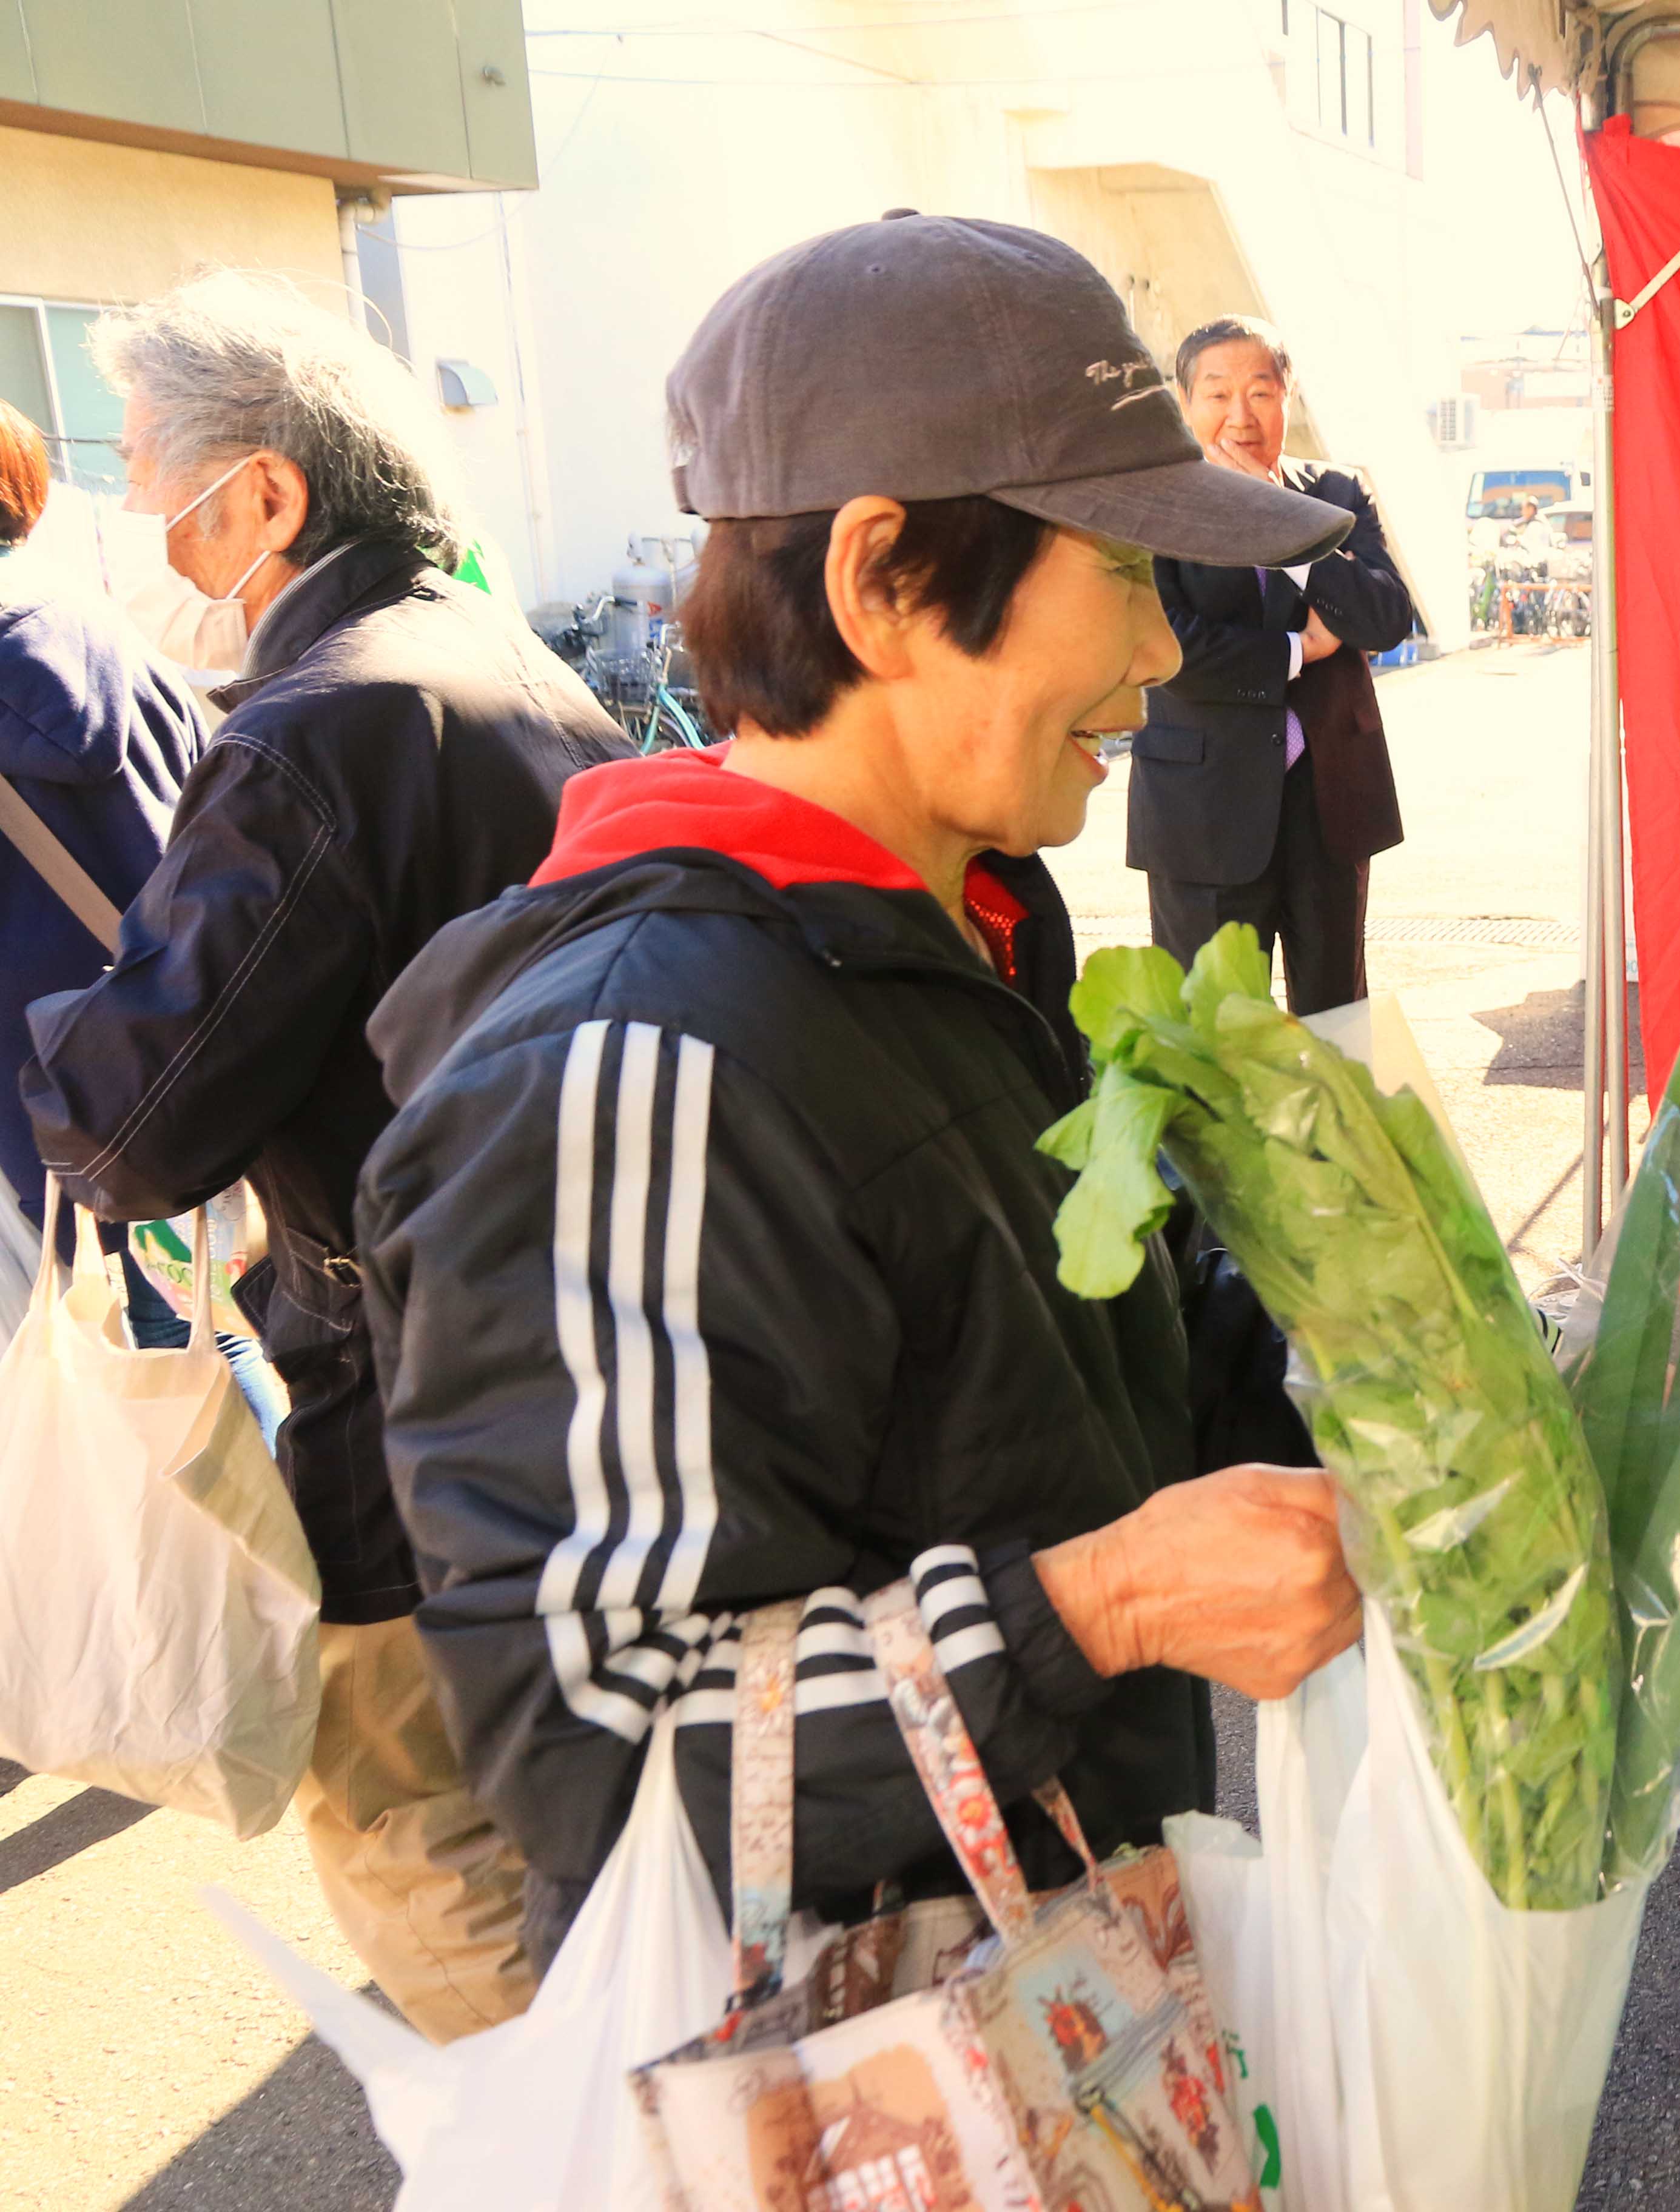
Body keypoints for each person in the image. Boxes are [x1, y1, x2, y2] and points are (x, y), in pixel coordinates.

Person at [354, 215, 1364, 1970]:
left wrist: (1404, 1373)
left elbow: (1081, 1369)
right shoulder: (634, 1056)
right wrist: (1099, 1609)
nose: (1159, 653)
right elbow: (604, 1748)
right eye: (1125, 570)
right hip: (869, 2100)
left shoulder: (968, 928)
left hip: (1079, 2009)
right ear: (887, 582)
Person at [19, 272, 630, 2039]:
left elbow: (133, 1125)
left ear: (268, 495)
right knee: (582, 1821)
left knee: (415, 1833)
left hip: (409, 1385)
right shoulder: (510, 664)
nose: (132, 524)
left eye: (147, 473)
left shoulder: (314, 728)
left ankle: (565, 2151)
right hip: (589, 1348)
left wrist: (68, 1019)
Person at [1129, 315, 1413, 1016]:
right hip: (1202, 808)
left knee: (1335, 1023)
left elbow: (1383, 617)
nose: (1240, 414)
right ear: (1185, 403)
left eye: (1260, 392)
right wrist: (1299, 651)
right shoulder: (1156, 508)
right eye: (1217, 393)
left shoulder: (1336, 496)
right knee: (1216, 1031)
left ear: (1288, 397)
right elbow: (1165, 646)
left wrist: (1286, 526)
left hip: (1330, 803)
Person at [0, 400, 204, 1326]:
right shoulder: (118, 644)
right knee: (203, 1370)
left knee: (81, 1434)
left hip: (29, 1155)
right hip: (178, 1097)